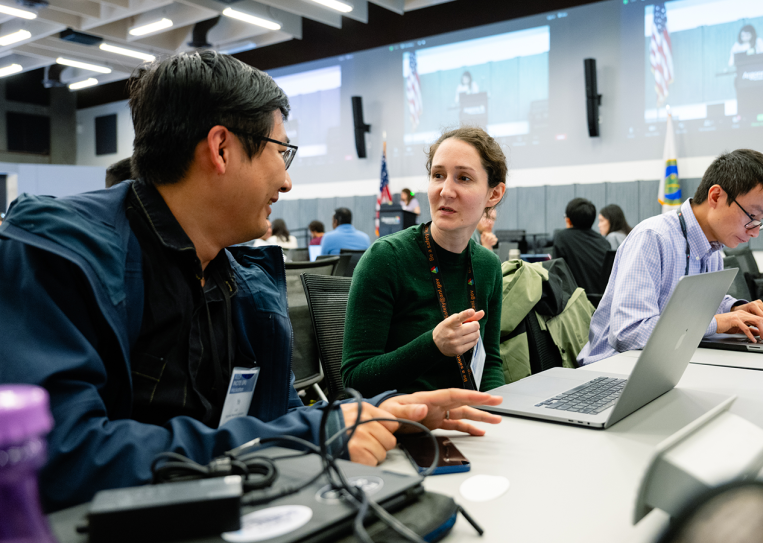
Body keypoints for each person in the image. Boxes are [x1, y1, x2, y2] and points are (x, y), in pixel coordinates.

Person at [0, 51, 502, 512]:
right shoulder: (58, 257)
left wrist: (385, 413)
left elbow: (282, 417)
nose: (287, 181)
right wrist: (316, 433)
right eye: (281, 152)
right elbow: (55, 459)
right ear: (221, 148)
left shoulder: (247, 286)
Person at [578, 149, 763, 366]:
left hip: (667, 360)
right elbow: (629, 333)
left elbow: (696, 305)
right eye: (752, 216)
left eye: (761, 220)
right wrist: (717, 323)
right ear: (716, 196)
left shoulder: (714, 247)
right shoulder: (653, 238)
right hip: (613, 367)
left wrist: (734, 310)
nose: (755, 232)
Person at [341, 127, 507, 397]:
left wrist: (498, 413)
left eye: (463, 178)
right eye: (438, 175)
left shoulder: (488, 266)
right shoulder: (386, 258)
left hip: (469, 414)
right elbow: (355, 380)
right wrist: (433, 345)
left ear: (494, 194)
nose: (446, 190)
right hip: (406, 417)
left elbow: (489, 364)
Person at [553, 198, 612, 294]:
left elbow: (555, 274)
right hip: (602, 300)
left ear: (568, 220)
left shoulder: (562, 237)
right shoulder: (604, 242)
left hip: (577, 300)